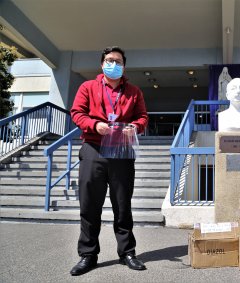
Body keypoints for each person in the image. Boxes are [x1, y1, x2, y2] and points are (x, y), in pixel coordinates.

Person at [70, 46, 149, 276]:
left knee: (123, 204)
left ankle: (127, 253)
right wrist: (94, 125)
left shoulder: (134, 91)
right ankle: (88, 254)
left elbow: (143, 116)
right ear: (101, 64)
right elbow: (77, 112)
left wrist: (136, 126)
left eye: (117, 61)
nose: (112, 64)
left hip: (121, 151)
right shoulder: (87, 87)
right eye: (108, 60)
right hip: (93, 148)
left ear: (124, 66)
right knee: (89, 204)